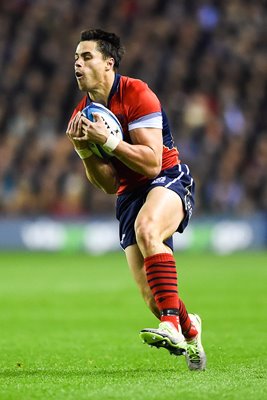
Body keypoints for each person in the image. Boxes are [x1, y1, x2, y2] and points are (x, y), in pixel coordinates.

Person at [66, 29, 206, 371]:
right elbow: (109, 184)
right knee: (153, 298)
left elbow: (152, 161)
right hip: (130, 194)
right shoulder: (83, 114)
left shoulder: (137, 93)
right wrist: (84, 151)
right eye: (75, 59)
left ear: (109, 63)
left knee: (148, 229)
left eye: (86, 57)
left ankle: (171, 325)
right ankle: (189, 329)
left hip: (166, 178)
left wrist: (110, 144)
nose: (78, 64)